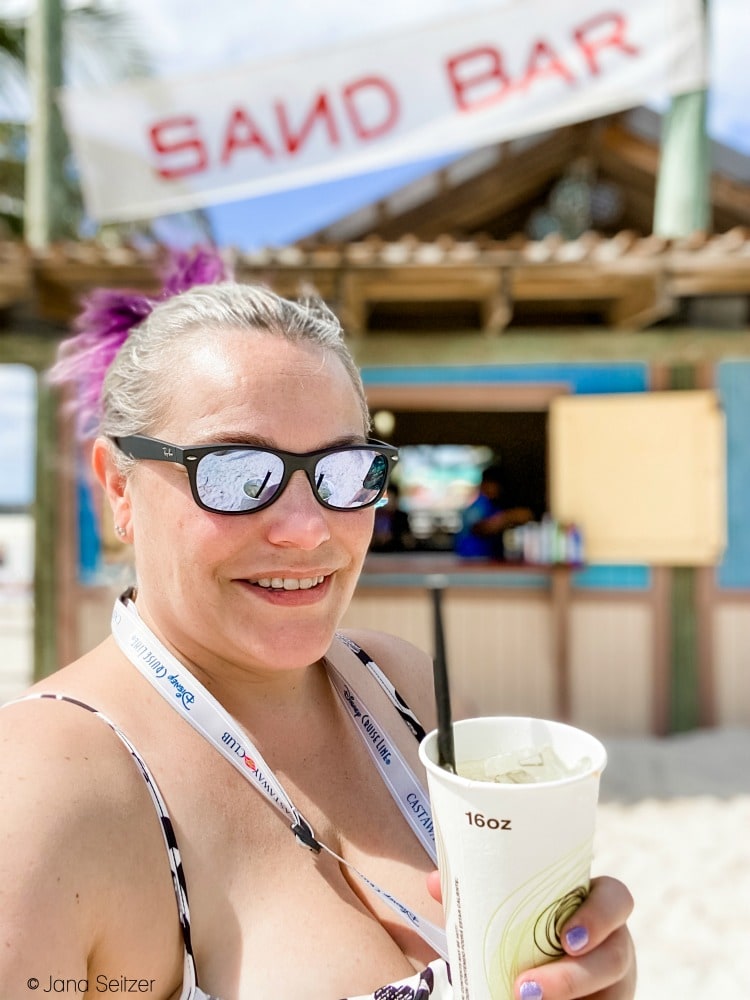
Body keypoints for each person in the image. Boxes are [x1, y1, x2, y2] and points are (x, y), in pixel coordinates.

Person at [0, 251, 636, 1000]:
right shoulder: (43, 792)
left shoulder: (401, 688)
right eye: (237, 473)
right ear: (117, 485)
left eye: (343, 474)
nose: (307, 530)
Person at [455, 462, 533, 559]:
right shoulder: (479, 504)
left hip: (492, 561)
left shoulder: (497, 504)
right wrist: (509, 517)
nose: (498, 489)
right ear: (485, 484)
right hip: (473, 561)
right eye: (495, 485)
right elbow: (480, 528)